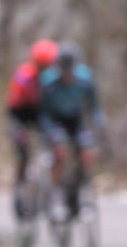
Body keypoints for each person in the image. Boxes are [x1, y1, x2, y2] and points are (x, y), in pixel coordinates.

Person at [38, 42, 106, 216]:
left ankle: (81, 187)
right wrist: (49, 133)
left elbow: (94, 107)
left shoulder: (85, 79)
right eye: (63, 70)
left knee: (86, 150)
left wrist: (100, 127)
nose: (67, 74)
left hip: (76, 119)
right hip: (55, 121)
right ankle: (56, 194)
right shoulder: (48, 82)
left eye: (70, 70)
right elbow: (43, 112)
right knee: (59, 152)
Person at [6, 38, 59, 220]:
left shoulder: (53, 78)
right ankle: (19, 188)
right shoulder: (24, 76)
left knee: (53, 145)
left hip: (41, 113)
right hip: (21, 113)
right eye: (42, 65)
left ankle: (49, 189)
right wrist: (17, 129)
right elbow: (13, 105)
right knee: (23, 153)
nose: (45, 69)